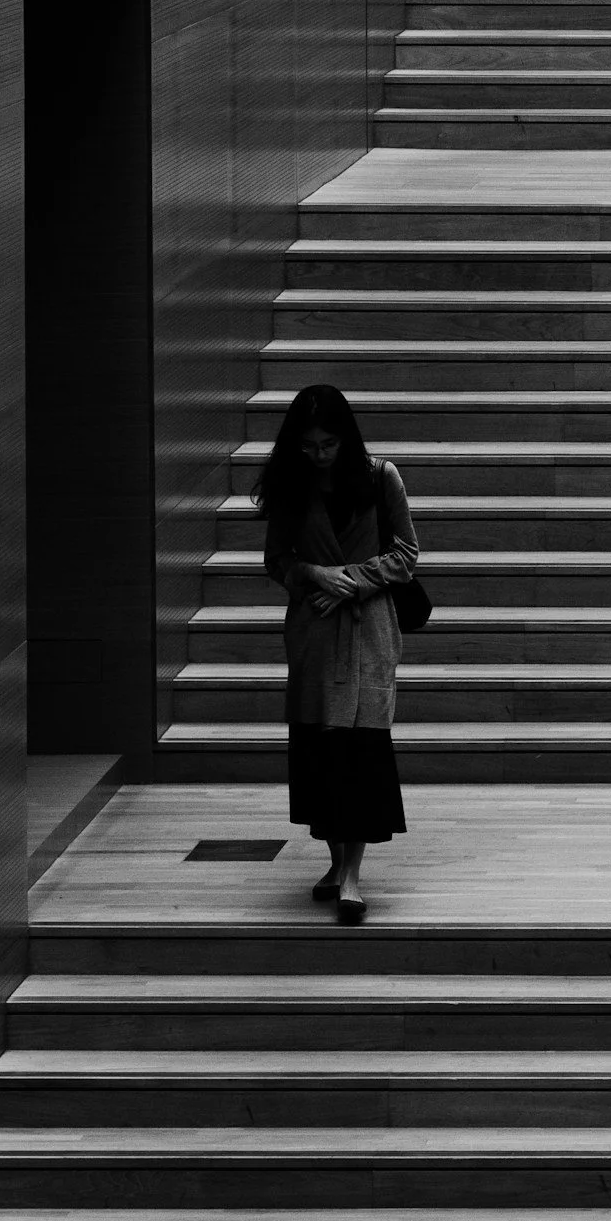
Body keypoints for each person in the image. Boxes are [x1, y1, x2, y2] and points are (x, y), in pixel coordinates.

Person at [257, 384, 418, 924]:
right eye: (309, 445)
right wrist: (312, 573)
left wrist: (348, 579)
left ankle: (352, 875)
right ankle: (335, 863)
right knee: (319, 749)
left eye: (328, 444)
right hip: (314, 632)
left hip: (368, 628)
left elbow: (407, 553)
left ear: (345, 438)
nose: (319, 454)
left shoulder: (380, 476)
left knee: (361, 748)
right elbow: (276, 559)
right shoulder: (290, 483)